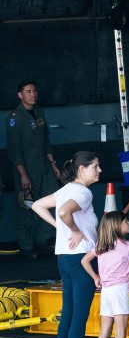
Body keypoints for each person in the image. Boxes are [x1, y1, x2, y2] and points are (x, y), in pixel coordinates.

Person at [31, 151, 101, 338]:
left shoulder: (65, 190)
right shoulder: (83, 192)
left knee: (68, 312)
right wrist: (74, 230)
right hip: (81, 258)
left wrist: (59, 228)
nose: (99, 170)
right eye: (95, 166)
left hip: (64, 257)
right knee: (79, 314)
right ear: (82, 169)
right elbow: (63, 212)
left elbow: (37, 205)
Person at [7, 80, 61, 258]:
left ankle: (44, 239)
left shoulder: (39, 112)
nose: (33, 94)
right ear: (20, 95)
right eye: (28, 91)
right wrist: (23, 174)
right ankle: (27, 245)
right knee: (27, 204)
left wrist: (53, 164)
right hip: (26, 168)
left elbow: (46, 141)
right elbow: (14, 150)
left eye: (34, 91)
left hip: (44, 166)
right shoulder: (15, 118)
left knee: (50, 199)